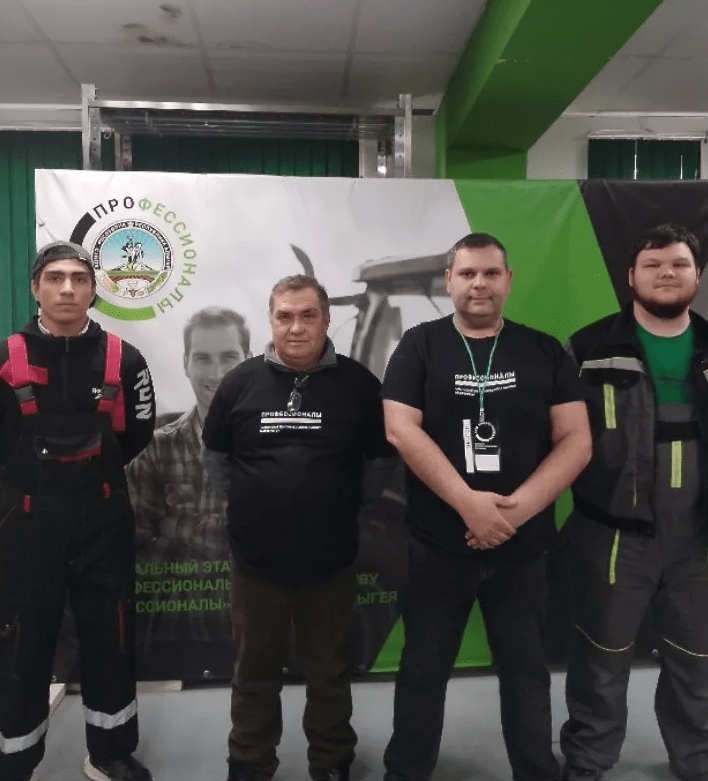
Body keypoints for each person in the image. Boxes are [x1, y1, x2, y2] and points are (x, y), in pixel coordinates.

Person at [380, 232, 592, 781]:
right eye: (468, 273)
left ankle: (536, 771)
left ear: (508, 281)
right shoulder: (419, 346)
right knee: (422, 671)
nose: (480, 283)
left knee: (527, 675)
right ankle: (405, 773)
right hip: (437, 547)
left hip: (522, 550)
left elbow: (576, 440)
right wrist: (468, 505)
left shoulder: (544, 350)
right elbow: (400, 429)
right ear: (449, 280)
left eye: (491, 273)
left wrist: (511, 514)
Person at [202, 274, 393, 781]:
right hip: (255, 565)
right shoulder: (239, 383)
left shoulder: (359, 386)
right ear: (271, 321)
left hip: (330, 564)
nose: (296, 327)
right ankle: (249, 762)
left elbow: (377, 468)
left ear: (326, 320)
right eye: (284, 316)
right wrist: (256, 508)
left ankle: (331, 760)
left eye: (308, 315)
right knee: (253, 672)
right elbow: (217, 461)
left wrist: (333, 512)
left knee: (330, 671)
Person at [0, 241, 156, 781]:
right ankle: (15, 757)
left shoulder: (125, 359)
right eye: (55, 278)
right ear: (35, 288)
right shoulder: (4, 360)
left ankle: (111, 752)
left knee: (111, 634)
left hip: (103, 522)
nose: (67, 288)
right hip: (26, 526)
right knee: (21, 640)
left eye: (79, 278)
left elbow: (138, 433)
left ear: (93, 290)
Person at [561, 224, 708, 781]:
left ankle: (697, 760)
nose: (667, 272)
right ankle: (588, 761)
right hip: (612, 538)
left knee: (699, 660)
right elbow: (555, 437)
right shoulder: (588, 348)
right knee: (600, 660)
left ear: (697, 275)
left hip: (699, 541)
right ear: (631, 276)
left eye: (679, 263)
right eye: (653, 264)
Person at [126, 307, 250, 678]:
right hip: (177, 640)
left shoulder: (275, 445)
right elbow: (136, 551)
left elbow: (279, 539)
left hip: (262, 635)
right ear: (185, 364)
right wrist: (229, 532)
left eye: (229, 357)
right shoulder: (154, 449)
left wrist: (175, 526)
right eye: (203, 359)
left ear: (248, 361)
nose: (216, 372)